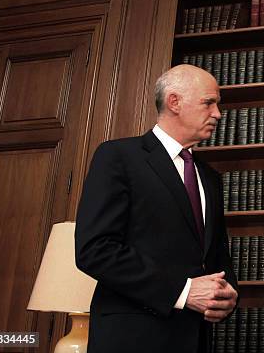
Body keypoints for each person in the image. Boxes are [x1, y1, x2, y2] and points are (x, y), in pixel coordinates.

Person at [75, 64, 238, 353]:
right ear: (174, 102)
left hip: (194, 339)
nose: (217, 114)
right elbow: (95, 249)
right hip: (132, 338)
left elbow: (216, 255)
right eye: (208, 102)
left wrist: (226, 295)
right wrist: (183, 291)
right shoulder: (118, 156)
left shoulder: (210, 177)